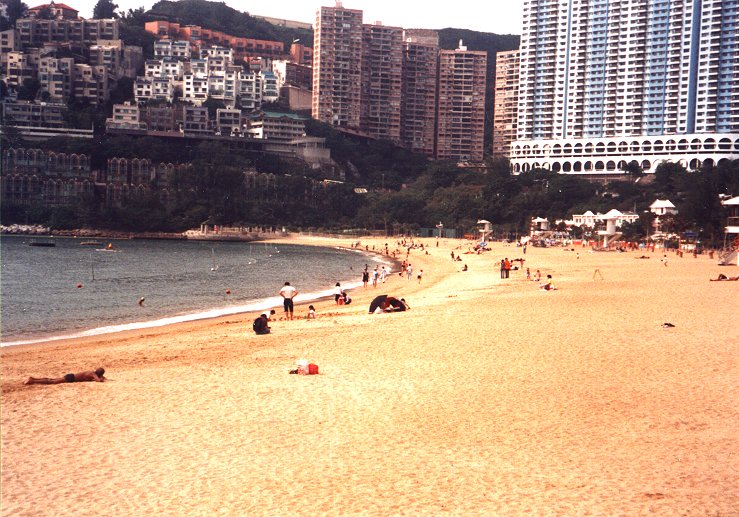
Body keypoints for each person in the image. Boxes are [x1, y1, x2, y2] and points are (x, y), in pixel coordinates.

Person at [25, 368, 106, 385]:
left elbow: (101, 378)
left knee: (52, 379)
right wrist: (101, 378)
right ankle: (33, 381)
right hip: (71, 378)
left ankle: (33, 379)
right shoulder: (93, 374)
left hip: (71, 376)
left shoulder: (92, 372)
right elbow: (98, 380)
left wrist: (102, 377)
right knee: (52, 382)